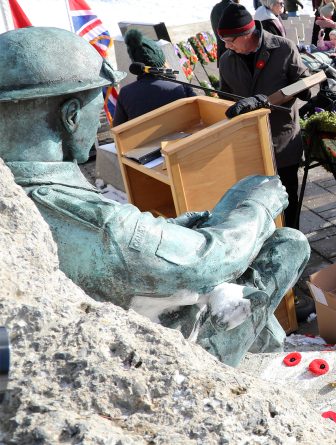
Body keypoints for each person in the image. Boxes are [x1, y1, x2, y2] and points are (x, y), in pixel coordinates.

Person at [0, 27, 311, 367]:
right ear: (70, 115)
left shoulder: (19, 189)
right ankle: (256, 365)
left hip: (122, 317)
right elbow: (206, 261)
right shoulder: (98, 221)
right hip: (167, 350)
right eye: (99, 99)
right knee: (288, 243)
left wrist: (173, 227)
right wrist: (256, 203)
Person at [218, 3, 314, 229]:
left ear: (247, 34)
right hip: (249, 144)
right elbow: (224, 98)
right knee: (256, 202)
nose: (227, 46)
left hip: (282, 141)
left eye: (231, 41)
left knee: (287, 197)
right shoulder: (226, 60)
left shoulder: (283, 48)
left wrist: (271, 99)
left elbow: (307, 85)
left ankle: (291, 238)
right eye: (224, 42)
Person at [114, 29, 196, 126]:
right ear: (162, 61)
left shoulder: (125, 93)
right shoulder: (181, 87)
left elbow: (118, 128)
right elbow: (201, 112)